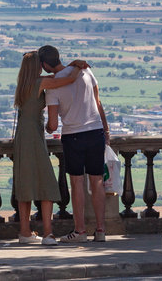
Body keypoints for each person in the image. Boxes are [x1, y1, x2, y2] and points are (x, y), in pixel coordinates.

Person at [12, 51, 85, 245]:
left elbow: (54, 76)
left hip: (22, 137)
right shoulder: (40, 84)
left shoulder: (25, 84)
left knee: (25, 183)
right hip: (34, 136)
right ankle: (48, 233)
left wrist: (70, 64)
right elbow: (68, 79)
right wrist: (77, 65)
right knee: (47, 183)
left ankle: (25, 232)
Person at [41, 45, 111, 244]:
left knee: (77, 182)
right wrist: (106, 131)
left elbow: (53, 124)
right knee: (97, 181)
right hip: (96, 131)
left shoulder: (53, 85)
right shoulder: (85, 71)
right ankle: (101, 230)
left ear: (45, 65)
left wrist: (46, 126)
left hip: (73, 135)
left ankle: (80, 230)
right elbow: (98, 103)